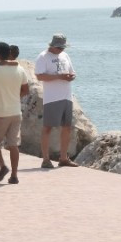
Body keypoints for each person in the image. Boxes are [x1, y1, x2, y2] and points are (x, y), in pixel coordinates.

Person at [0, 42, 29, 183]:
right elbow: (25, 90)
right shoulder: (20, 70)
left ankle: (3, 166)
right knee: (13, 144)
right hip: (16, 112)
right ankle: (14, 175)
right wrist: (14, 96)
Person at [36, 34, 78, 168]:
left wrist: (71, 76)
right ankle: (46, 159)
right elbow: (40, 76)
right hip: (52, 98)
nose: (61, 50)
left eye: (62, 47)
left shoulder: (65, 55)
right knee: (47, 127)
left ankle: (63, 158)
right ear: (52, 46)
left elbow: (72, 71)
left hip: (66, 96)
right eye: (59, 47)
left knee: (67, 127)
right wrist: (59, 76)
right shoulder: (43, 57)